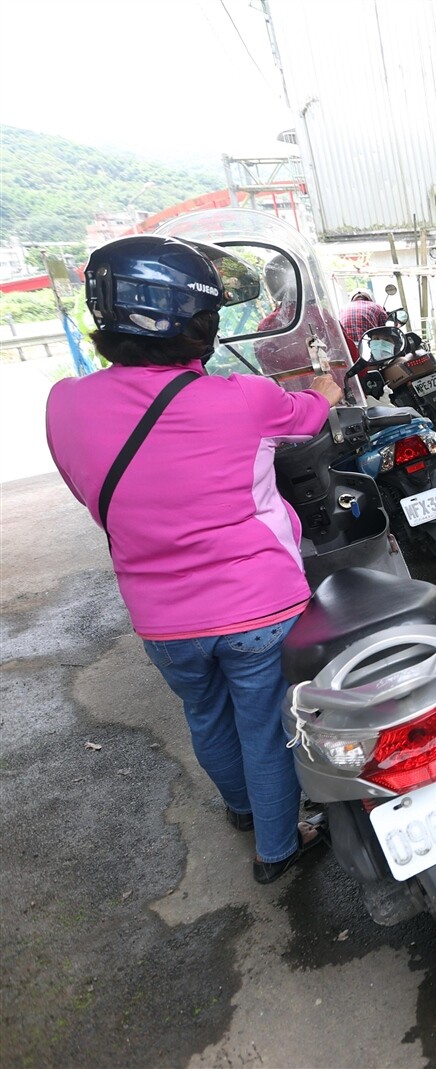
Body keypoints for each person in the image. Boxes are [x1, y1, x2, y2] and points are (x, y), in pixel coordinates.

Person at [45, 235, 346, 885]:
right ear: (202, 325)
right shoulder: (240, 396)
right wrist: (325, 381)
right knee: (264, 726)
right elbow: (311, 413)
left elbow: (98, 501)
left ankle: (241, 808)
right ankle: (278, 846)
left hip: (161, 619)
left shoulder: (64, 405)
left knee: (206, 714)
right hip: (258, 605)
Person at [338, 290, 387, 363]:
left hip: (348, 350)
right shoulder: (376, 306)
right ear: (370, 299)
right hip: (369, 350)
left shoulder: (342, 309)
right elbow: (385, 330)